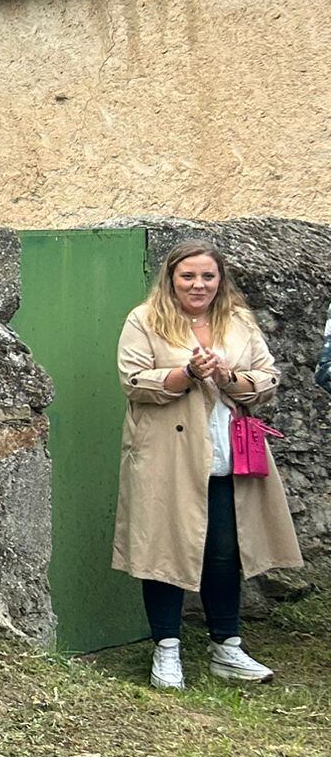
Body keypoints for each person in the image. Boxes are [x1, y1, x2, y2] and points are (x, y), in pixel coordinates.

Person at [113, 239, 303, 690]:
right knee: (163, 548)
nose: (198, 285)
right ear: (171, 278)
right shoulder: (145, 319)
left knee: (224, 551)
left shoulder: (238, 320)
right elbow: (134, 380)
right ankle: (167, 651)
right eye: (188, 276)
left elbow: (267, 377)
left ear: (220, 280)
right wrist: (188, 374)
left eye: (207, 276)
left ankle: (227, 648)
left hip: (226, 447)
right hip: (168, 454)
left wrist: (226, 376)